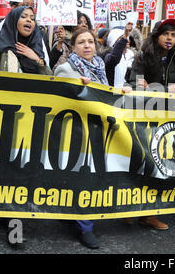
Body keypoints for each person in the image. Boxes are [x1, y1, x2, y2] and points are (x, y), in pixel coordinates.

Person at [0, 5, 52, 248]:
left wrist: (37, 59)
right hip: (2, 122)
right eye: (24, 16)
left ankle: (10, 220)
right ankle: (11, 222)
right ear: (13, 21)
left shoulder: (38, 49)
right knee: (7, 171)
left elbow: (53, 84)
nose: (29, 20)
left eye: (32, 17)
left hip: (29, 123)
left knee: (20, 173)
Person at [129, 18, 175, 230]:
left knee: (162, 165)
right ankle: (136, 209)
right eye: (166, 34)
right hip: (147, 118)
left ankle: (149, 213)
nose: (170, 38)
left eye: (173, 35)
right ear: (157, 36)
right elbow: (136, 85)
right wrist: (163, 90)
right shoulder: (143, 56)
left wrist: (153, 87)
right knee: (144, 163)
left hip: (171, 118)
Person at [54, 28, 108, 249]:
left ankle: (76, 217)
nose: (87, 46)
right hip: (74, 131)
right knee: (82, 176)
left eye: (90, 42)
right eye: (81, 42)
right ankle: (85, 227)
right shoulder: (66, 68)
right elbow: (57, 94)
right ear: (73, 47)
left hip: (96, 130)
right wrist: (77, 86)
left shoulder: (100, 67)